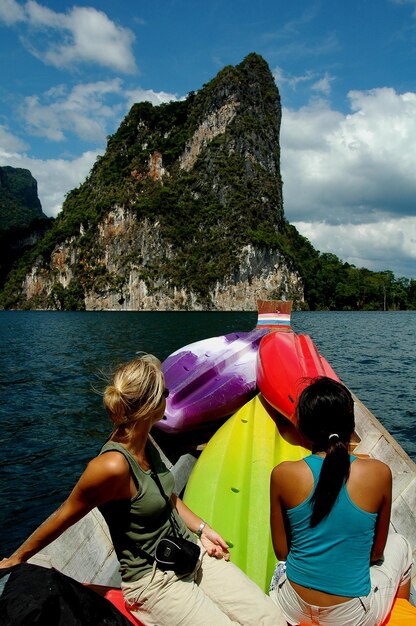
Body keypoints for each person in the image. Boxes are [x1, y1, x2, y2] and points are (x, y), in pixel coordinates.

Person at [1, 354, 285, 626]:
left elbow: (168, 496)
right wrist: (19, 557)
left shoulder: (144, 440)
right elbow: (65, 514)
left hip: (188, 551)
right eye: (165, 392)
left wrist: (203, 529)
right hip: (153, 581)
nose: (168, 396)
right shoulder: (112, 466)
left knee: (270, 620)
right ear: (151, 405)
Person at [269, 376, 413, 626]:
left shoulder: (282, 474)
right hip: (349, 617)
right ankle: (401, 615)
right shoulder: (379, 473)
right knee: (401, 545)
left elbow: (282, 553)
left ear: (303, 429)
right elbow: (376, 553)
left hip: (292, 605)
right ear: (351, 425)